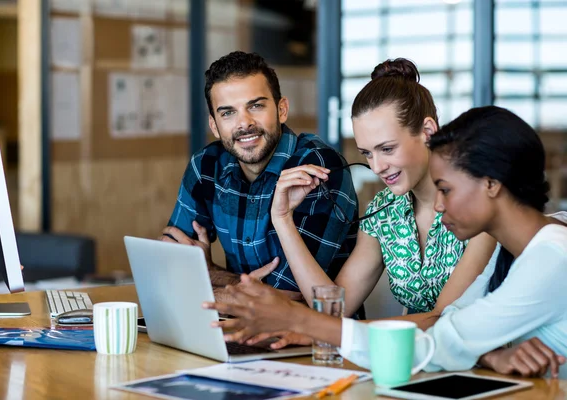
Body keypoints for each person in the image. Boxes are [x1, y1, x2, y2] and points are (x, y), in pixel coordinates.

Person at [205, 106, 567, 378]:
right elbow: (451, 326)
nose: (439, 205)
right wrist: (488, 353)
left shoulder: (551, 257)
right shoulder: (512, 251)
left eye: (446, 190)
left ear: (491, 184)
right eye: (366, 154)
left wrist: (299, 319)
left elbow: (439, 341)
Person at [254, 58, 496, 339]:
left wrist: (319, 330)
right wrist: (282, 219)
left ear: (428, 132)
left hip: (486, 366)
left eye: (387, 148)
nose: (377, 166)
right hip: (418, 362)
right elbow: (334, 309)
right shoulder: (385, 210)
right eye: (367, 153)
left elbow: (441, 320)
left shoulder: (478, 202)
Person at [162, 51, 358, 302]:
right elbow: (171, 266)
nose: (244, 123)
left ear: (282, 109)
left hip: (311, 338)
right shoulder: (206, 166)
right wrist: (223, 282)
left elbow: (292, 297)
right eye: (228, 113)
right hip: (230, 328)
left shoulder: (317, 168)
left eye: (255, 106)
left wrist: (208, 276)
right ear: (214, 125)